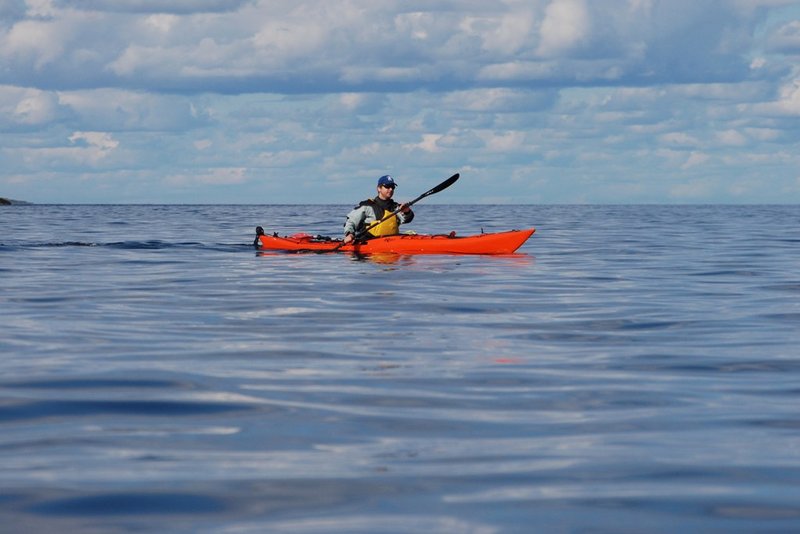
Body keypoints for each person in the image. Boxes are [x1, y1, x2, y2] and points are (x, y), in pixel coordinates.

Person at [343, 175, 414, 244]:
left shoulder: (396, 207)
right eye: (387, 186)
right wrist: (349, 234)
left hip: (391, 244)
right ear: (379, 188)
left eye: (392, 187)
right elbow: (351, 221)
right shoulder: (367, 205)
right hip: (368, 245)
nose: (391, 189)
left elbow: (407, 219)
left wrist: (407, 212)